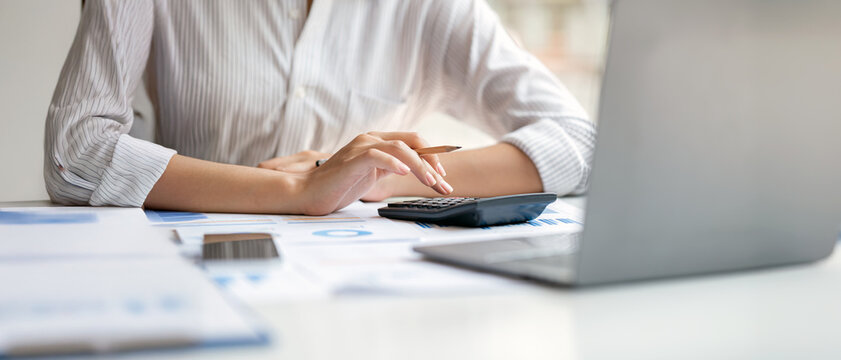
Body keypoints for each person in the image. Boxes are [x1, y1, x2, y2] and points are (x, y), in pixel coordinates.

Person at [44, 0, 596, 215]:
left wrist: (382, 176)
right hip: (192, 268)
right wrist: (298, 189)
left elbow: (583, 143)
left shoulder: (434, 8)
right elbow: (76, 154)